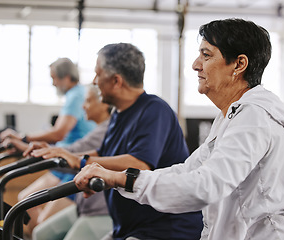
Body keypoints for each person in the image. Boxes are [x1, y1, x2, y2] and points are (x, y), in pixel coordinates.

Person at [73, 19, 284, 240]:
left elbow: (206, 186)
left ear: (239, 65)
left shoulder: (254, 117)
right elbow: (186, 172)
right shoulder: (229, 118)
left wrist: (120, 178)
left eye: (206, 55)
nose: (195, 64)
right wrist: (116, 179)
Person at [30, 43, 203, 240]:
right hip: (129, 225)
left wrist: (81, 162)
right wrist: (66, 155)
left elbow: (139, 164)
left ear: (116, 81)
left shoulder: (155, 111)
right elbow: (103, 154)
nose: (94, 81)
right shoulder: (118, 114)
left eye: (98, 74)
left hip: (164, 228)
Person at [0, 58, 96, 234]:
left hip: (72, 165)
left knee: (42, 221)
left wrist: (23, 137)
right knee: (24, 201)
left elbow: (59, 133)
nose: (53, 83)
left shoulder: (76, 96)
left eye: (54, 78)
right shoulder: (74, 95)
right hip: (61, 162)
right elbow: (57, 133)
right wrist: (26, 142)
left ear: (66, 77)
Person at [23, 85, 113, 240]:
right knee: (40, 233)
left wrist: (26, 143)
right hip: (85, 203)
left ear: (104, 104)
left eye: (88, 101)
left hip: (101, 208)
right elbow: (73, 151)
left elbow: (72, 149)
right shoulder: (100, 129)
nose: (83, 106)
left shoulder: (106, 130)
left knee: (40, 220)